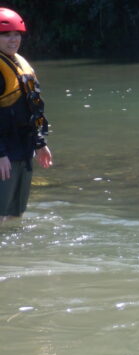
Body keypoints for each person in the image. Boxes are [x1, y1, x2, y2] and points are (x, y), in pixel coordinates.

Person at [0, 7, 51, 225]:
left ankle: (12, 258)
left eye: (16, 34)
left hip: (23, 147)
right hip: (4, 152)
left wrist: (39, 143)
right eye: (6, 35)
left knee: (16, 213)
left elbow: (34, 107)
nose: (13, 40)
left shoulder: (20, 64)